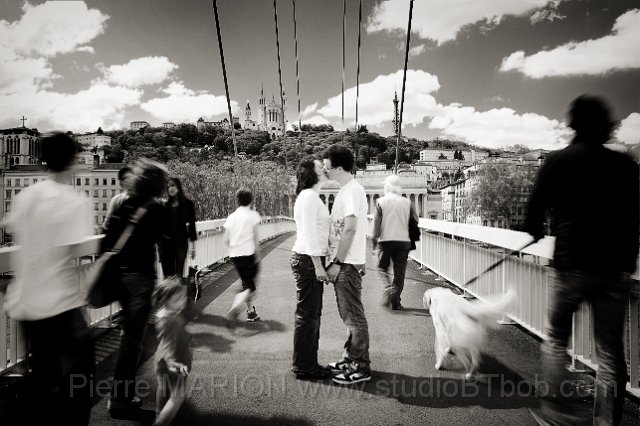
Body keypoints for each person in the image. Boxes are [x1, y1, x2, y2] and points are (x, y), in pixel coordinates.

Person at [525, 95, 639, 426]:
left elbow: (535, 211)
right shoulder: (626, 165)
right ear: (606, 128)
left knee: (557, 339)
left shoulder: (559, 161)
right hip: (614, 267)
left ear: (573, 125)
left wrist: (535, 230)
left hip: (572, 263)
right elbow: (634, 217)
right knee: (610, 352)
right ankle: (606, 423)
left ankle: (556, 413)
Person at [4, 132, 94, 425]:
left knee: (40, 379)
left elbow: (17, 232)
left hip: (25, 303)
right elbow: (72, 254)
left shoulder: (26, 195)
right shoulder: (73, 201)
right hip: (60, 307)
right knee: (79, 383)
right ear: (73, 160)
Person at [101, 159, 176, 416]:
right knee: (134, 339)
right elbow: (167, 246)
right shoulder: (157, 209)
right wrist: (170, 282)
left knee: (129, 334)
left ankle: (121, 395)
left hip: (119, 277)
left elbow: (107, 236)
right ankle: (119, 399)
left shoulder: (122, 204)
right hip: (141, 278)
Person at [322, 145, 372, 385]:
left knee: (354, 316)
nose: (324, 171)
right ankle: (350, 358)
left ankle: (361, 367)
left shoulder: (352, 191)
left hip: (346, 264)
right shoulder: (348, 190)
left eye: (327, 167)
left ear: (339, 168)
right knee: (348, 315)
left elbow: (351, 228)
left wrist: (337, 262)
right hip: (349, 262)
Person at [290, 159, 332, 380]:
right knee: (307, 316)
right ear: (311, 173)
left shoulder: (310, 196)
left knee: (311, 315)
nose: (324, 168)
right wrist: (318, 266)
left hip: (310, 259)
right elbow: (308, 233)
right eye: (319, 166)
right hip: (308, 260)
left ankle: (308, 363)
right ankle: (304, 366)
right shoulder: (308, 197)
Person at [372, 174, 417, 310]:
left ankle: (388, 287)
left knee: (381, 268)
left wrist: (374, 241)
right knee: (399, 273)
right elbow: (415, 221)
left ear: (387, 186)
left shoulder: (381, 202)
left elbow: (376, 224)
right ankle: (396, 302)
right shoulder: (407, 203)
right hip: (403, 242)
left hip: (386, 241)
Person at [152, 276, 192, 426]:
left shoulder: (164, 314)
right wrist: (172, 362)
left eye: (183, 298)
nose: (182, 302)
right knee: (178, 396)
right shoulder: (171, 321)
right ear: (164, 301)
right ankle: (161, 422)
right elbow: (169, 343)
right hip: (174, 363)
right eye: (177, 300)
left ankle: (158, 412)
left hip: (161, 361)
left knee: (163, 387)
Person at [224, 189, 262, 322]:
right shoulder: (253, 215)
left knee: (246, 282)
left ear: (237, 201)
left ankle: (251, 312)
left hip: (235, 255)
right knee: (251, 287)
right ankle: (235, 305)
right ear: (251, 200)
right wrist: (258, 255)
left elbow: (226, 240)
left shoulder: (231, 217)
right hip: (249, 254)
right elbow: (255, 238)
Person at [161, 177, 197, 280]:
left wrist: (193, 247)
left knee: (179, 273)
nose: (170, 189)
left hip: (181, 242)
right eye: (168, 187)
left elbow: (192, 226)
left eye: (172, 186)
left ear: (178, 187)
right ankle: (170, 294)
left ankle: (178, 294)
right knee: (168, 274)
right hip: (167, 243)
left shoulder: (188, 204)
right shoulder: (165, 205)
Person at [102, 166, 133, 232]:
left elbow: (106, 225)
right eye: (126, 179)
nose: (128, 181)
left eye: (130, 178)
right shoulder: (117, 200)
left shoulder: (117, 199)